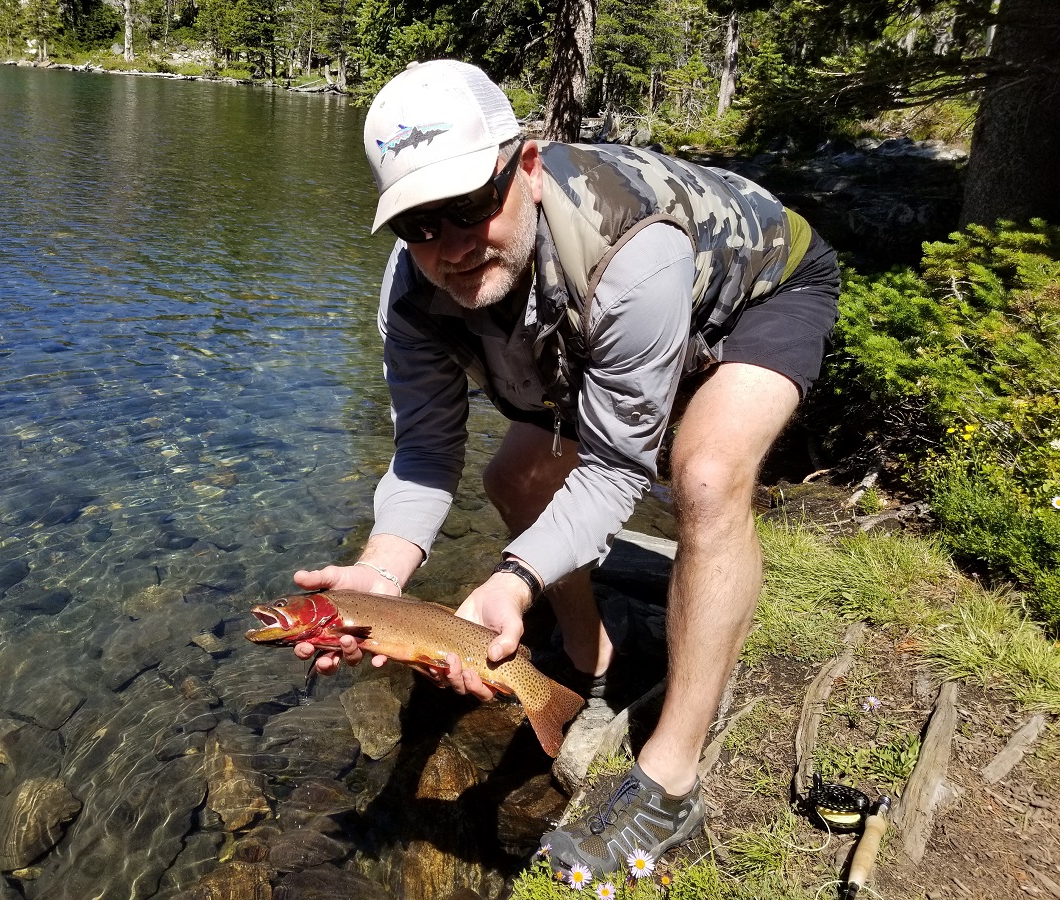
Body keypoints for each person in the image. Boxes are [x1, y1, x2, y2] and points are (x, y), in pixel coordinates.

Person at [292, 58, 840, 879]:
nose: (450, 245)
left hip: (757, 286)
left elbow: (620, 464)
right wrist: (380, 571)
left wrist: (511, 581)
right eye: (419, 226)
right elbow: (426, 452)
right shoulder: (414, 292)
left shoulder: (629, 254)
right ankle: (590, 660)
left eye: (470, 205)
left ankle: (670, 775)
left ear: (529, 166)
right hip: (597, 324)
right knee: (511, 479)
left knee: (703, 476)